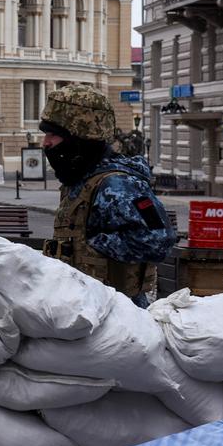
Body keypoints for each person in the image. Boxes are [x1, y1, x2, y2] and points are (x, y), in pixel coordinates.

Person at [39, 84, 175, 307]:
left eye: (53, 134)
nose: (46, 143)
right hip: (86, 305)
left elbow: (159, 239)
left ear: (79, 137)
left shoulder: (118, 184)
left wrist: (94, 246)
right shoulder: (81, 181)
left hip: (118, 312)